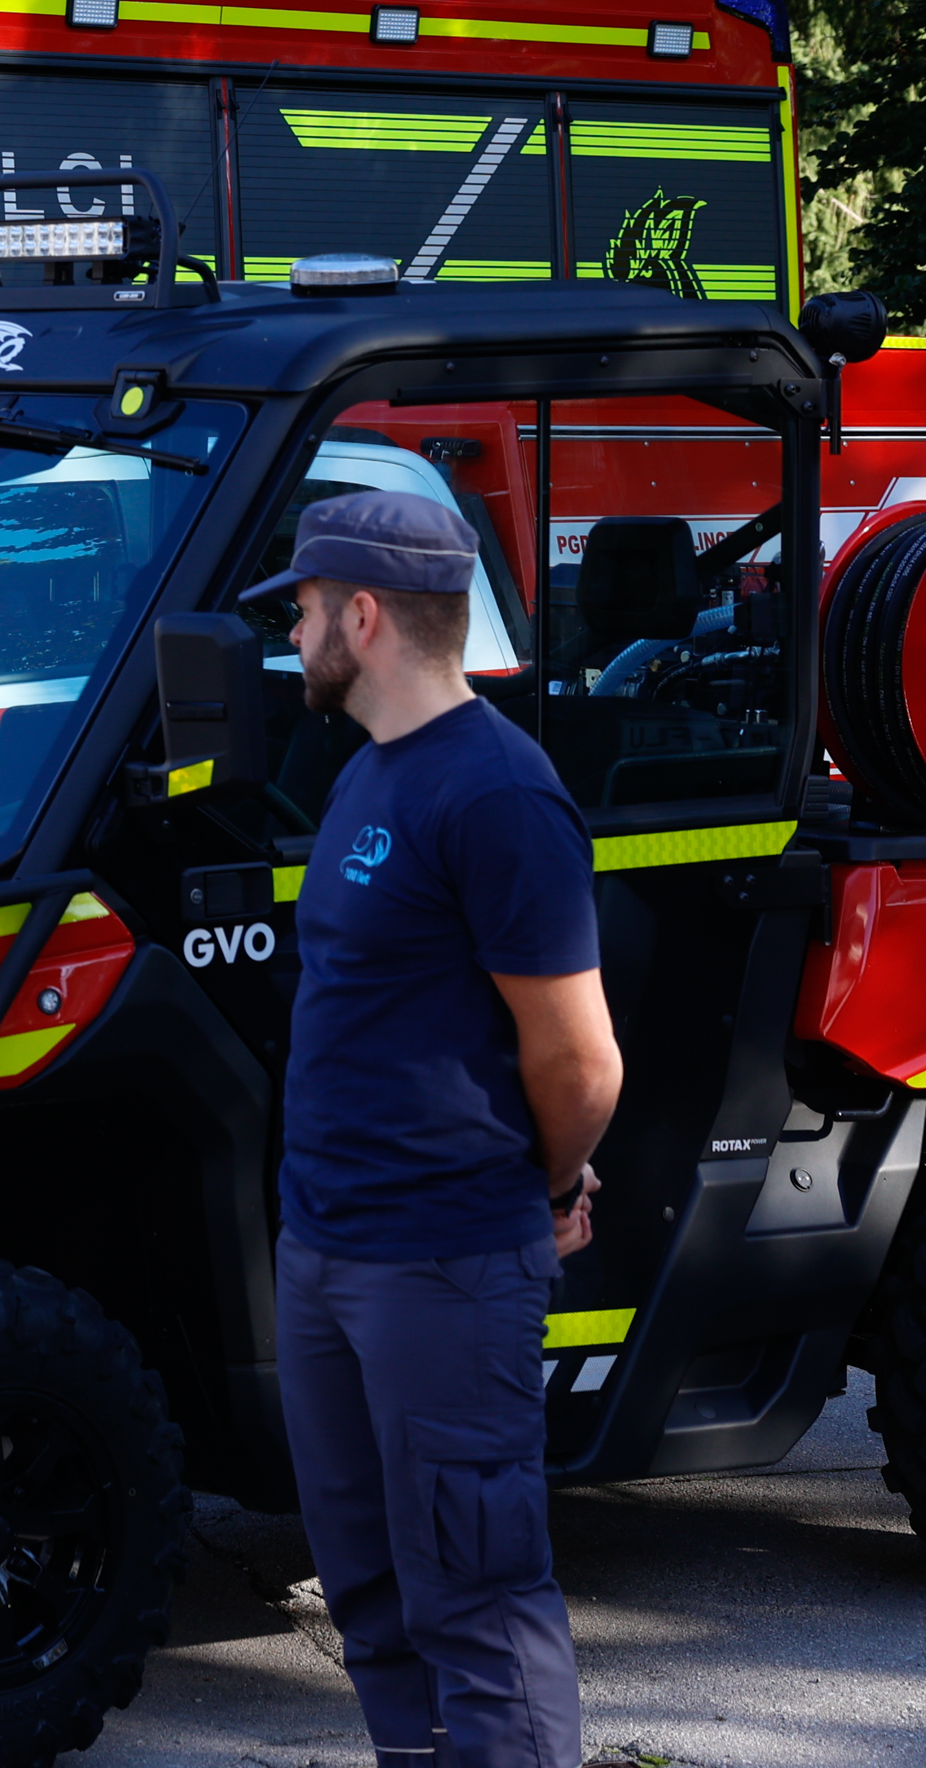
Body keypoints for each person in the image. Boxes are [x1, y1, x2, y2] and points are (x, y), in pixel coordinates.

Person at [250, 489, 623, 1768]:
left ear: (364, 614)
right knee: (369, 1588)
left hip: (444, 1262)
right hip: (328, 1249)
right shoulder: (366, 772)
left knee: (476, 1588)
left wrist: (552, 1178)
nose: (292, 633)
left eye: (302, 608)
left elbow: (579, 1053)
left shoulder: (500, 794)